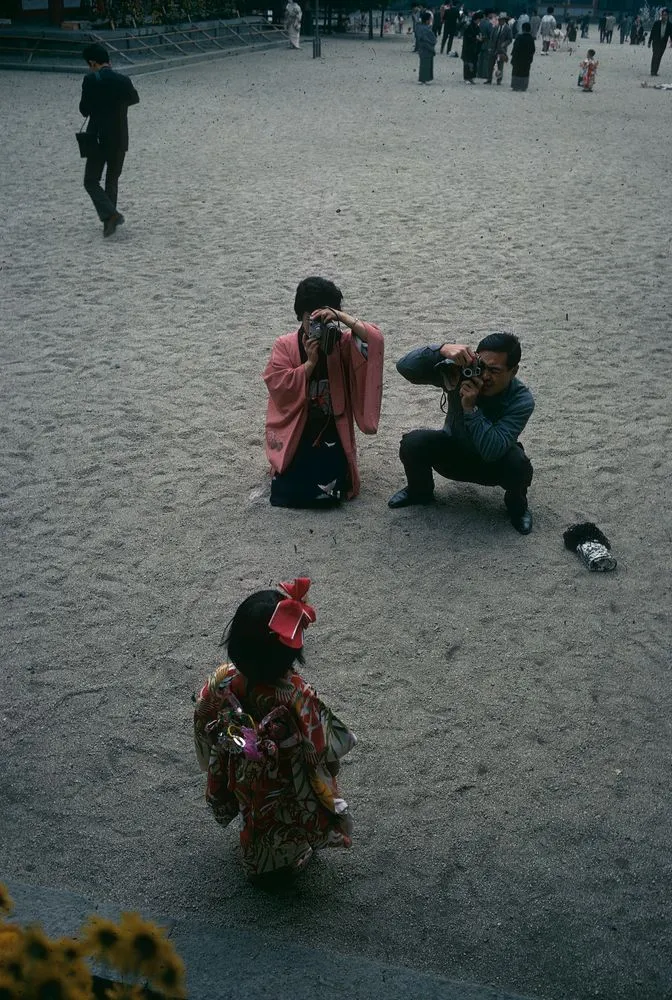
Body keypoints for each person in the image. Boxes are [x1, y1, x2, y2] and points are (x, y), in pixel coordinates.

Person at [193, 578, 356, 878]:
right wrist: (326, 767)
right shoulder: (297, 694)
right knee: (284, 819)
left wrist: (221, 740)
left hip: (241, 766)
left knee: (254, 811)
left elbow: (203, 716)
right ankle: (280, 863)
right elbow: (321, 745)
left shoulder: (224, 679)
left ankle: (256, 857)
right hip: (284, 778)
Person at [388, 333, 535, 534]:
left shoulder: (522, 400)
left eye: (494, 371)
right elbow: (404, 367)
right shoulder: (460, 374)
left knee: (519, 464)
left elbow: (492, 450)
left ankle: (517, 507)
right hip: (453, 451)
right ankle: (419, 492)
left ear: (514, 371)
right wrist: (440, 349)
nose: (484, 376)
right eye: (482, 366)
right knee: (412, 443)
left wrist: (471, 409)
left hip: (493, 465)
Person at [263, 277, 384, 509]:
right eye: (312, 319)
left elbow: (375, 341)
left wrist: (342, 318)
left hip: (330, 428)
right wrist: (308, 365)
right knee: (285, 490)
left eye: (323, 319)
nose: (317, 326)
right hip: (298, 429)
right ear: (301, 315)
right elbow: (278, 386)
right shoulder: (285, 344)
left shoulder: (340, 342)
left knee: (333, 487)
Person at [79, 43, 139, 238]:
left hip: (97, 136)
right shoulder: (123, 80)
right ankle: (109, 221)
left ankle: (110, 215)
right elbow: (134, 99)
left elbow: (84, 110)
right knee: (112, 179)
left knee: (91, 180)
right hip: (120, 136)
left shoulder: (90, 80)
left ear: (93, 62)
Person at [485, 11, 512, 83]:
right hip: (493, 49)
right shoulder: (495, 27)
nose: (499, 21)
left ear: (504, 20)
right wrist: (490, 47)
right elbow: (491, 38)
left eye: (501, 20)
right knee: (490, 65)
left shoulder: (508, 29)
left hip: (501, 50)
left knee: (500, 66)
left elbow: (510, 39)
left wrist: (505, 44)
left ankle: (498, 80)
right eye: (499, 20)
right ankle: (489, 79)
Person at [511, 21, 536, 88]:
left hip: (518, 59)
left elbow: (515, 48)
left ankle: (515, 85)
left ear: (523, 29)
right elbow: (533, 50)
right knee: (525, 72)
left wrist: (513, 57)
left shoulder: (519, 38)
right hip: (527, 59)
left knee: (516, 71)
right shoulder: (531, 39)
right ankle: (523, 86)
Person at [461, 10, 484, 81]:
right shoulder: (469, 26)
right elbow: (467, 36)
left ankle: (471, 77)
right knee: (468, 62)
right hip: (468, 47)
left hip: (474, 48)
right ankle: (467, 78)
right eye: (479, 20)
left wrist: (481, 38)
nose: (479, 21)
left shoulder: (476, 27)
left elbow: (479, 34)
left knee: (473, 62)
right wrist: (476, 38)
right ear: (476, 19)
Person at [648, 7, 672, 75]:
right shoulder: (657, 23)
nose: (664, 16)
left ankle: (655, 71)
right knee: (655, 56)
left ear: (668, 16)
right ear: (661, 15)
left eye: (666, 15)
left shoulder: (670, 25)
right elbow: (652, 32)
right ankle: (652, 71)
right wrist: (649, 42)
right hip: (656, 42)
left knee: (659, 57)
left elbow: (671, 34)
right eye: (663, 15)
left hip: (663, 44)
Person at [416, 9, 437, 82]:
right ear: (427, 20)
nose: (431, 21)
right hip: (427, 48)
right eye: (430, 19)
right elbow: (433, 39)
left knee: (424, 64)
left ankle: (423, 78)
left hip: (422, 48)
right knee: (426, 64)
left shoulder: (419, 27)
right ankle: (424, 79)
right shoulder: (426, 29)